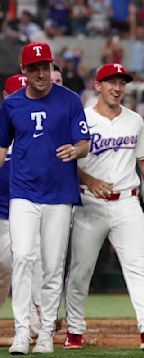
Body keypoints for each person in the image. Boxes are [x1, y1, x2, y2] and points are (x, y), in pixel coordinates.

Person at [64, 63, 144, 351]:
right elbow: (67, 159)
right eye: (110, 82)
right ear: (98, 86)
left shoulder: (134, 120)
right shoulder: (83, 119)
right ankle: (75, 331)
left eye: (121, 82)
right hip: (89, 203)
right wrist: (89, 179)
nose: (117, 87)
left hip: (127, 201)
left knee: (138, 267)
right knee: (81, 270)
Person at [0, 42, 90, 355]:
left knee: (52, 267)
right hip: (23, 192)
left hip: (59, 193)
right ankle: (22, 332)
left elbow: (84, 143)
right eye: (35, 68)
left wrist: (77, 149)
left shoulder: (70, 99)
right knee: (23, 257)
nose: (42, 73)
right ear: (23, 71)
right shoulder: (11, 104)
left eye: (46, 67)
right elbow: (1, 149)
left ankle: (46, 333)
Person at [0, 75, 43, 340]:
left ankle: (34, 321)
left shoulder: (38, 129)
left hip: (26, 211)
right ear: (6, 97)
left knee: (27, 265)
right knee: (6, 272)